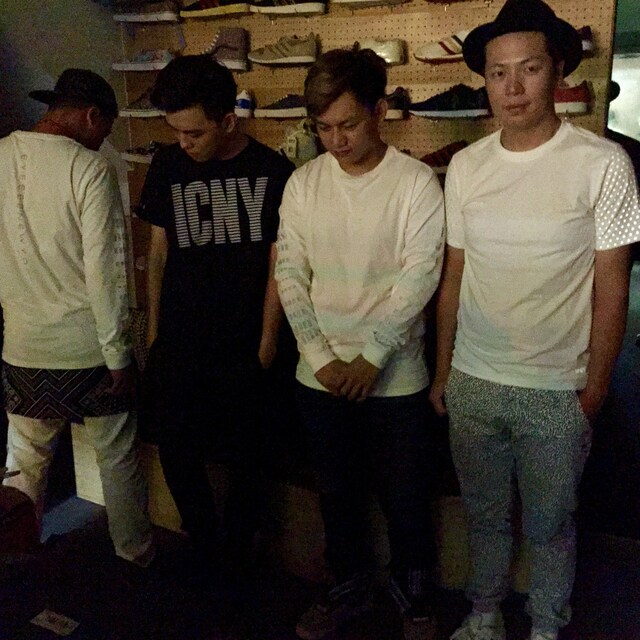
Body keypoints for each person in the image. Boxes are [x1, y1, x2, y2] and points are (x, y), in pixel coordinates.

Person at [428, 1, 640, 639]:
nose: (512, 87)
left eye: (529, 68)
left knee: (551, 525)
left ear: (558, 71)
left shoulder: (602, 163)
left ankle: (547, 625)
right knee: (485, 517)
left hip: (555, 388)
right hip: (474, 381)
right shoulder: (468, 166)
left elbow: (612, 287)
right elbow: (455, 275)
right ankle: (484, 615)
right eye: (498, 73)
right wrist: (444, 371)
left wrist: (593, 390)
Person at [275, 48, 445, 640]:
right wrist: (321, 359)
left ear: (379, 111)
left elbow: (419, 277)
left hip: (395, 376)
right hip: (318, 375)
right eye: (323, 128)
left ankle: (414, 597)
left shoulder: (415, 182)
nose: (336, 141)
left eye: (348, 124)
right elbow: (290, 273)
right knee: (336, 494)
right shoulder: (303, 183)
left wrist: (371, 358)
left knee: (406, 496)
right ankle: (346, 589)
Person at [137, 55, 294, 574]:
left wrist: (267, 340)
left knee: (252, 453)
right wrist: (154, 330)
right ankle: (203, 540)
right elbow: (158, 252)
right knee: (176, 446)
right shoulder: (168, 165)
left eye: (194, 133)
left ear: (228, 120)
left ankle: (237, 550)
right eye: (176, 131)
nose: (184, 143)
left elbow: (280, 264)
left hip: (244, 338)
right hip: (181, 337)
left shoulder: (273, 171)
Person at [0, 69, 154, 566]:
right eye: (105, 128)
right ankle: (135, 554)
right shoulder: (89, 169)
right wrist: (120, 356)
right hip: (87, 349)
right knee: (117, 456)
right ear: (91, 116)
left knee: (24, 459)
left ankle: (16, 554)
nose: (104, 140)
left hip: (21, 345)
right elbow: (106, 273)